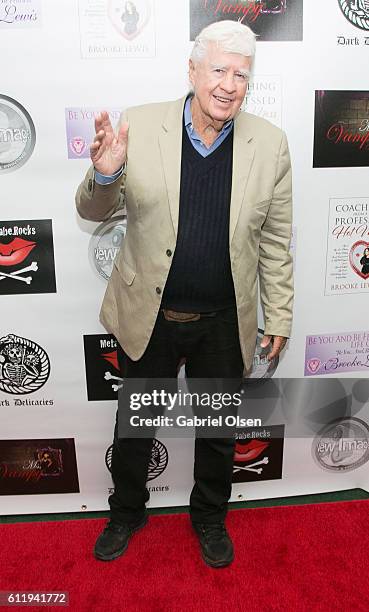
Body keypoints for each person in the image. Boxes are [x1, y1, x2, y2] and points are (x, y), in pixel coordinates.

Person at [75, 20, 293, 568]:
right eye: (217, 69)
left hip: (224, 320)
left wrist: (280, 313)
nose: (228, 84)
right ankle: (126, 512)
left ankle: (210, 517)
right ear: (192, 70)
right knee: (136, 425)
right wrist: (104, 177)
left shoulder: (270, 144)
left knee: (218, 430)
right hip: (150, 316)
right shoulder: (141, 126)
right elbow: (91, 211)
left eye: (240, 74)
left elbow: (274, 241)